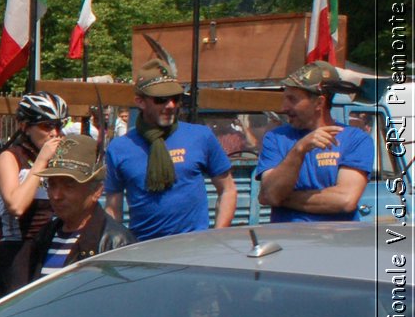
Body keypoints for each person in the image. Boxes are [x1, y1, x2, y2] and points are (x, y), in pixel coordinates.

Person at [103, 57, 236, 239]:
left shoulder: (200, 136)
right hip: (144, 251)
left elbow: (228, 189)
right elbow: (112, 207)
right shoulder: (120, 148)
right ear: (140, 102)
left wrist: (217, 236)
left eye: (175, 98)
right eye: (161, 100)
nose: (171, 105)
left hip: (193, 248)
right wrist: (115, 244)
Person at [257, 62, 372, 222]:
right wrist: (300, 149)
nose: (284, 107)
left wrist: (283, 199)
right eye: (284, 98)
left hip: (335, 243)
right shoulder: (275, 138)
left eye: (292, 99)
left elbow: (345, 201)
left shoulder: (355, 139)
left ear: (319, 103)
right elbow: (270, 194)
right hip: (289, 243)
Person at [27, 135, 134, 279]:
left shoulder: (116, 242)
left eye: (68, 185)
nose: (56, 195)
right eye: (52, 184)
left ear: (96, 191)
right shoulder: (45, 236)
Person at [0, 92, 68, 295]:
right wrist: (41, 162)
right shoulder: (10, 158)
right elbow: (16, 206)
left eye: (60, 125)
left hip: (52, 245)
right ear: (24, 126)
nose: (55, 133)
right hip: (19, 250)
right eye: (46, 126)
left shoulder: (59, 158)